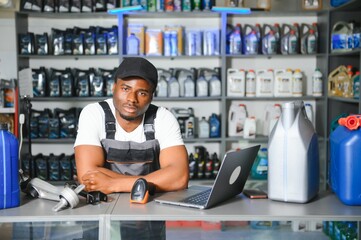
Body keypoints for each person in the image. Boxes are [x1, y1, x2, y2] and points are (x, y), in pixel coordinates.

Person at [74, 57, 189, 239]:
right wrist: (151, 182)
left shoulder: (163, 118)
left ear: (151, 96)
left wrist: (112, 183)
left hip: (145, 212)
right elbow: (88, 176)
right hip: (100, 211)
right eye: (125, 89)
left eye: (142, 93)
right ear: (114, 87)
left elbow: (179, 176)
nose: (131, 99)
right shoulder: (93, 114)